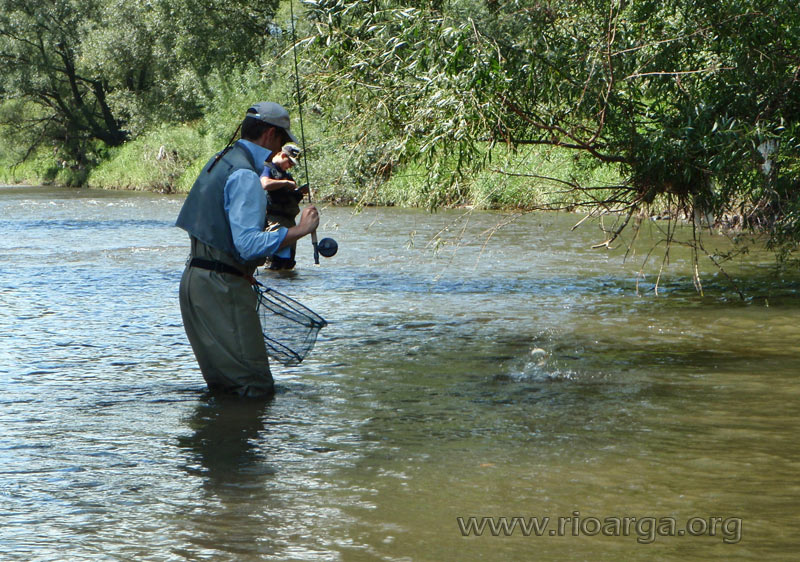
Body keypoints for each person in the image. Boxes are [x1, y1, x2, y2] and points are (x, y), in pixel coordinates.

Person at [175, 101, 319, 398]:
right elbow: (248, 244)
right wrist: (300, 231)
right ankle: (242, 442)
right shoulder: (244, 176)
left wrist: (241, 270)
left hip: (196, 281)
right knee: (253, 388)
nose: (281, 148)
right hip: (220, 288)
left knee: (225, 388)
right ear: (269, 134)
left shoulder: (222, 159)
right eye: (282, 139)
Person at [260, 143, 309, 270]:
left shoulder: (287, 176)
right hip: (275, 220)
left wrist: (299, 193)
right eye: (290, 163)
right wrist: (286, 183)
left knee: (288, 262)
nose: (290, 166)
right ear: (282, 155)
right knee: (274, 260)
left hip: (289, 222)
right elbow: (264, 184)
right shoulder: (267, 168)